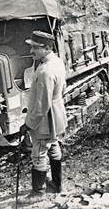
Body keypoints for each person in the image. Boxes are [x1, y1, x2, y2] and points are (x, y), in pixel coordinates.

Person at [18, 30, 68, 204]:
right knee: (54, 147)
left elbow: (40, 106)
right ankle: (56, 184)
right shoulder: (57, 62)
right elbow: (62, 89)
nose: (31, 51)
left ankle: (38, 193)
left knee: (39, 153)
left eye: (35, 47)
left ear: (47, 48)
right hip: (57, 115)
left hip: (45, 120)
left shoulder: (45, 70)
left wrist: (29, 125)